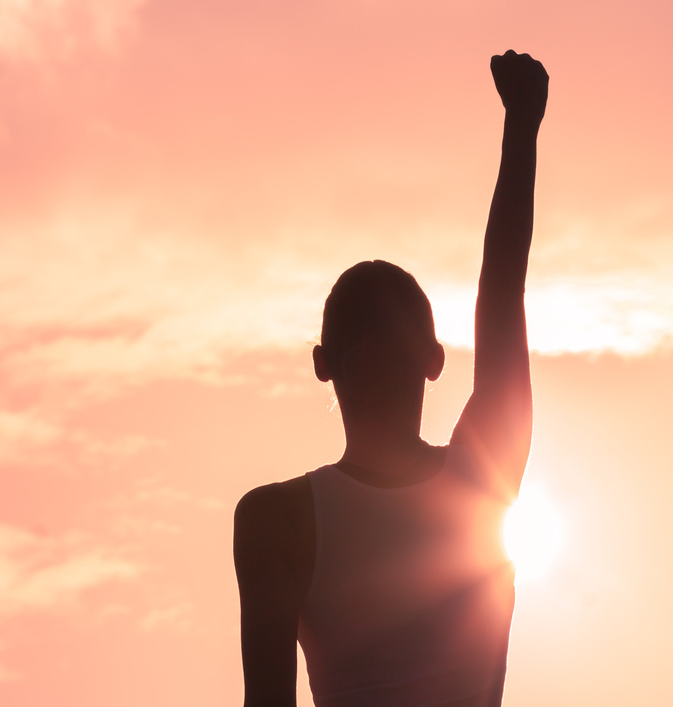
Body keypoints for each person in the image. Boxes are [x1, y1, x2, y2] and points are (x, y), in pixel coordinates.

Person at [233, 50, 548, 707]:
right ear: (433, 359)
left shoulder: (277, 517)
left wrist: (521, 130)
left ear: (322, 363)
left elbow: (501, 290)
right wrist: (520, 127)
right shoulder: (475, 479)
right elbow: (500, 293)